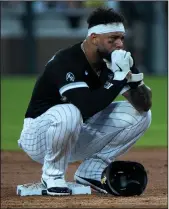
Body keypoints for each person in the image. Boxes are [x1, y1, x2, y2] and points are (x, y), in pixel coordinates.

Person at [18, 7, 152, 196]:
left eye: (121, 38)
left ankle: (91, 171)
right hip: (39, 136)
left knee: (141, 115)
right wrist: (117, 78)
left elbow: (143, 104)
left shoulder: (115, 60)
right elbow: (86, 107)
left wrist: (133, 78)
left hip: (76, 133)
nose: (120, 44)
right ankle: (52, 176)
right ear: (94, 38)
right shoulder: (67, 61)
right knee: (69, 112)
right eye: (112, 39)